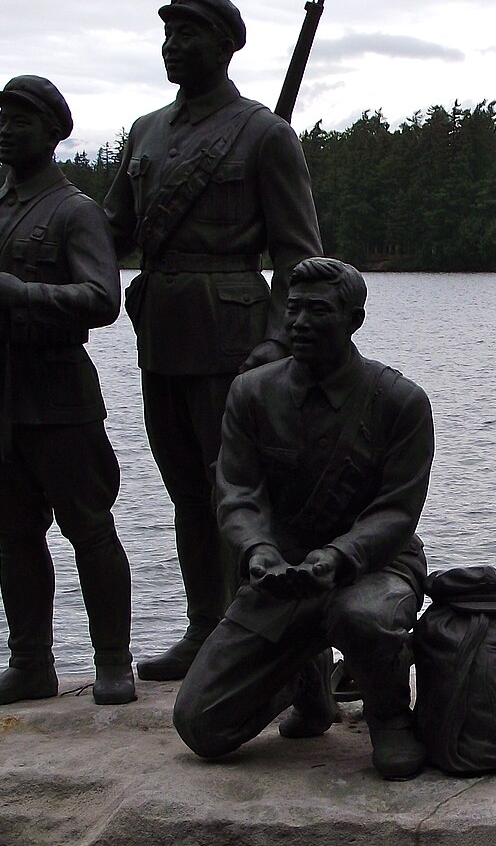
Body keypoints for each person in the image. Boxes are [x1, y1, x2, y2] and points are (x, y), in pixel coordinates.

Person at [104, 0, 323, 683]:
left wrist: (275, 341)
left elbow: (298, 257)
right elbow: (109, 231)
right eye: (165, 36)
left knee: (241, 495)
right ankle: (205, 627)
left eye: (187, 36)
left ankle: (254, 631)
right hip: (162, 334)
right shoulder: (145, 132)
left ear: (226, 46)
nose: (171, 47)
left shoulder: (264, 134)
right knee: (186, 494)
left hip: (234, 339)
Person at [172, 258, 434, 779]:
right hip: (284, 572)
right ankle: (310, 690)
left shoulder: (400, 402)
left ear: (353, 319)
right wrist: (257, 551)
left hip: (374, 565)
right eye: (293, 310)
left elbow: (396, 511)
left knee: (361, 616)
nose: (300, 323)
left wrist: (340, 556)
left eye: (319, 310)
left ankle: (389, 715)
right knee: (201, 725)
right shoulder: (250, 394)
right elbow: (237, 489)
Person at [0, 76, 135, 708]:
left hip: (58, 394)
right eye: (1, 121)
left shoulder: (76, 212)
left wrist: (23, 294)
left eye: (21, 121)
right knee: (14, 533)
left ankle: (112, 663)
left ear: (53, 133)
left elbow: (104, 299)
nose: (6, 131)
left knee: (89, 526)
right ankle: (30, 665)